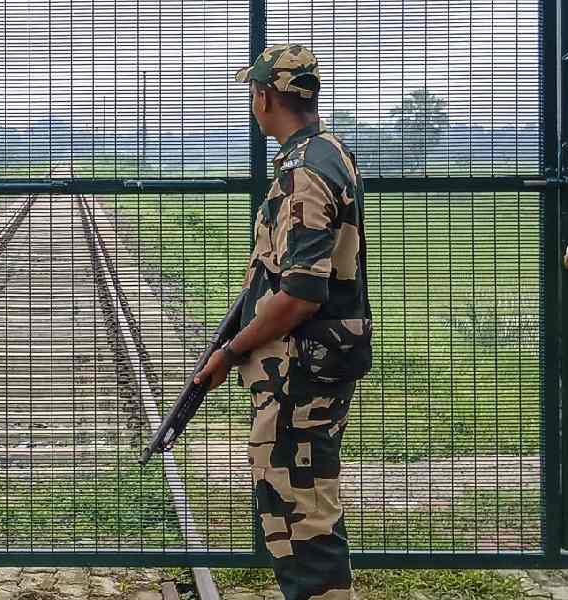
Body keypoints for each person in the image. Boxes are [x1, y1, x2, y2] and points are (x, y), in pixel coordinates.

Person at [194, 44, 372, 600]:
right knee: (303, 501)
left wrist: (228, 352)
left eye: (253, 93)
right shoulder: (329, 153)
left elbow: (300, 294)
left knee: (300, 509)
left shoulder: (303, 171)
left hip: (300, 369)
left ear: (264, 97)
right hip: (312, 363)